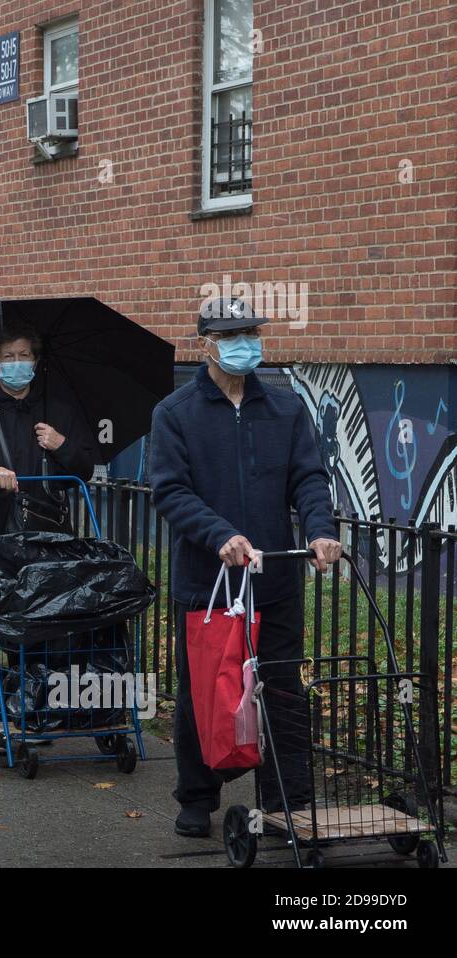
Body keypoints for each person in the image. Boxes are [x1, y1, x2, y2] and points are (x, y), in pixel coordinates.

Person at [148, 298, 340, 838]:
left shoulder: (286, 409)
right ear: (206, 343)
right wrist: (220, 536)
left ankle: (288, 799)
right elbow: (170, 490)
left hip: (274, 579)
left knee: (281, 689)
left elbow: (309, 477)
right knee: (205, 691)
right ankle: (197, 796)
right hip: (207, 586)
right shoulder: (175, 413)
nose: (244, 343)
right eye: (231, 334)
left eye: (251, 332)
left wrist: (321, 530)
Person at [0, 317, 98, 754]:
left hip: (47, 539)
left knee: (47, 628)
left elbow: (82, 469)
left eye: (24, 356)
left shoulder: (59, 411)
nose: (17, 364)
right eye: (8, 357)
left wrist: (61, 444)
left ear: (36, 361)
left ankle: (39, 711)